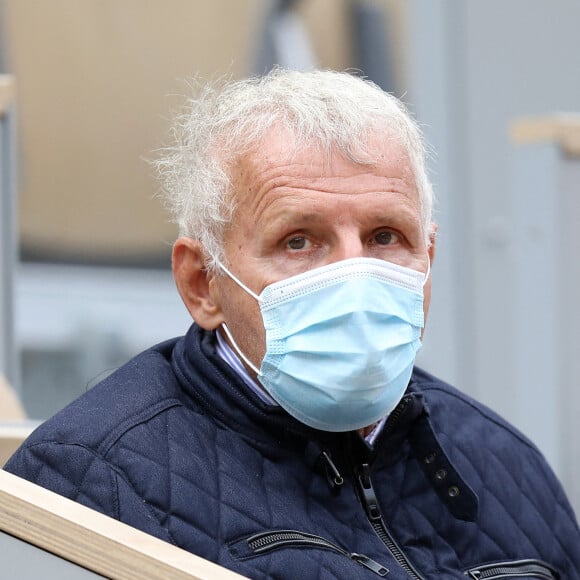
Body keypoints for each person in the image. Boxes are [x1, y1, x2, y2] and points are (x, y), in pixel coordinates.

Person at [5, 69, 580, 579]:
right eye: (299, 241)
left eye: (386, 236)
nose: (353, 277)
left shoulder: (505, 465)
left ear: (429, 257)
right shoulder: (92, 485)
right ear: (202, 283)